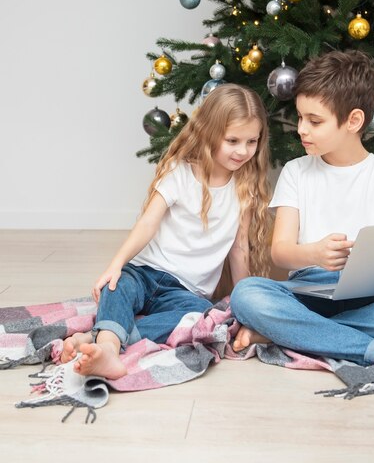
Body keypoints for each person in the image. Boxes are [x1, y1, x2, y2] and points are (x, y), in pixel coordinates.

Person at [230, 50, 374, 388]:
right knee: (247, 294)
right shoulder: (296, 172)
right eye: (299, 118)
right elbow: (279, 252)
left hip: (373, 297)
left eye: (314, 121)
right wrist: (314, 254)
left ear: (353, 121)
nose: (302, 129)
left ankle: (288, 331)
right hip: (309, 291)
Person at [61, 84, 272, 380]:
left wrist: (246, 302)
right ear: (210, 132)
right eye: (233, 140)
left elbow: (239, 250)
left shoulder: (244, 190)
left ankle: (102, 339)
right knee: (116, 287)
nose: (242, 150)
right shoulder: (181, 171)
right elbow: (147, 223)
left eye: (252, 141)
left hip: (186, 291)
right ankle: (108, 349)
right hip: (145, 271)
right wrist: (116, 264)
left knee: (202, 317)